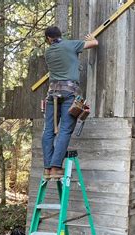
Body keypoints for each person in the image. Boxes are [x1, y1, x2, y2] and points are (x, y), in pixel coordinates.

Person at [42, 26, 98, 177]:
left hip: (52, 94)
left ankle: (47, 168)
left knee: (48, 130)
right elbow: (94, 44)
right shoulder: (70, 45)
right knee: (65, 130)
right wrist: (91, 38)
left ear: (48, 39)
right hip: (68, 92)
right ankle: (55, 167)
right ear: (60, 35)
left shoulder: (47, 52)